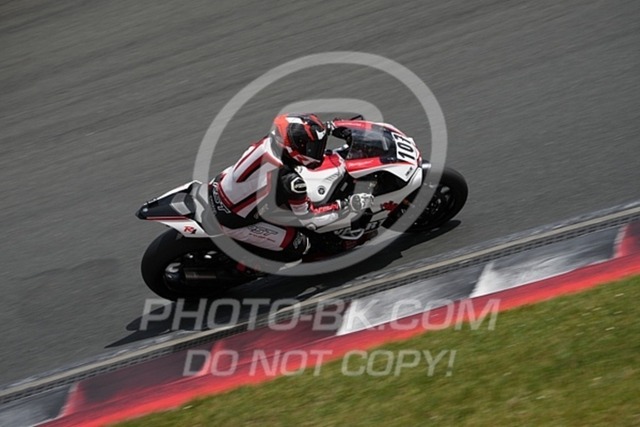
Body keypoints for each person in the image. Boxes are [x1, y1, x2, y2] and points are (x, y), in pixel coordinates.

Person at [210, 113, 373, 263]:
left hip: (217, 188)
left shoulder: (272, 141)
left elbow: (299, 131)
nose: (317, 151)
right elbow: (310, 219)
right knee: (300, 244)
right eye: (312, 147)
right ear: (296, 148)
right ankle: (250, 263)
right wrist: (347, 205)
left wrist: (330, 128)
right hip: (234, 222)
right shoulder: (290, 180)